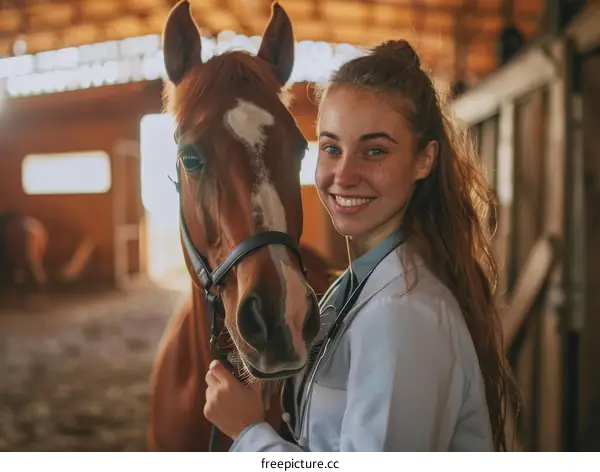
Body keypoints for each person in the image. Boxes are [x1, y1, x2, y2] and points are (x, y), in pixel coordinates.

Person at [203, 39, 516, 452]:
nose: (344, 175)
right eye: (331, 148)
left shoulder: (404, 314)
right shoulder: (355, 286)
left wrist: (249, 434)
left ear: (424, 160)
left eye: (374, 151)